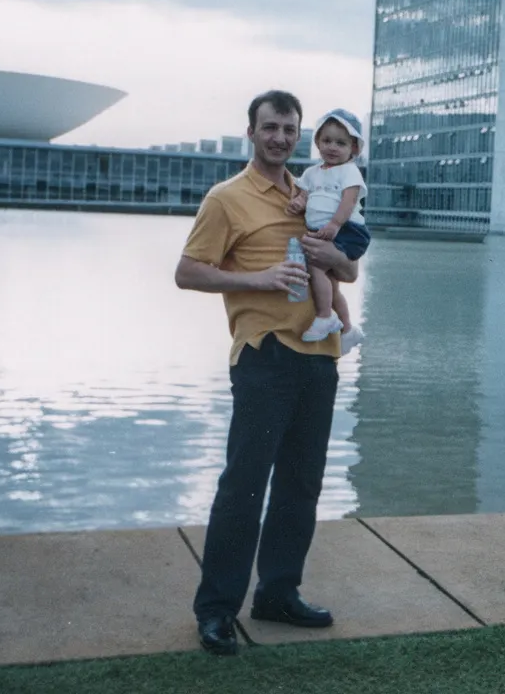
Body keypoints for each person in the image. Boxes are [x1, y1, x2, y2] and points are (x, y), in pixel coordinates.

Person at [174, 90, 360, 657]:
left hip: (319, 355)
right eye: (271, 127)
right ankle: (216, 611)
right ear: (251, 132)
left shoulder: (314, 193)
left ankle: (278, 593)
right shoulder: (226, 199)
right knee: (244, 485)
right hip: (263, 355)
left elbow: (347, 270)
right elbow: (186, 272)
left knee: (300, 485)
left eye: (289, 129)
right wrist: (258, 280)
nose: (281, 137)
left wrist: (331, 258)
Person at [285, 108, 370, 353]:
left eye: (341, 143)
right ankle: (348, 329)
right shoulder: (312, 173)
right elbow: (304, 194)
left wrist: (335, 224)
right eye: (327, 141)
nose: (332, 147)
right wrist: (299, 202)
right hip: (324, 230)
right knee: (330, 284)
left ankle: (325, 316)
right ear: (317, 143)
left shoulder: (349, 171)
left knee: (317, 267)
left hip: (347, 229)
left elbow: (349, 201)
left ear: (353, 149)